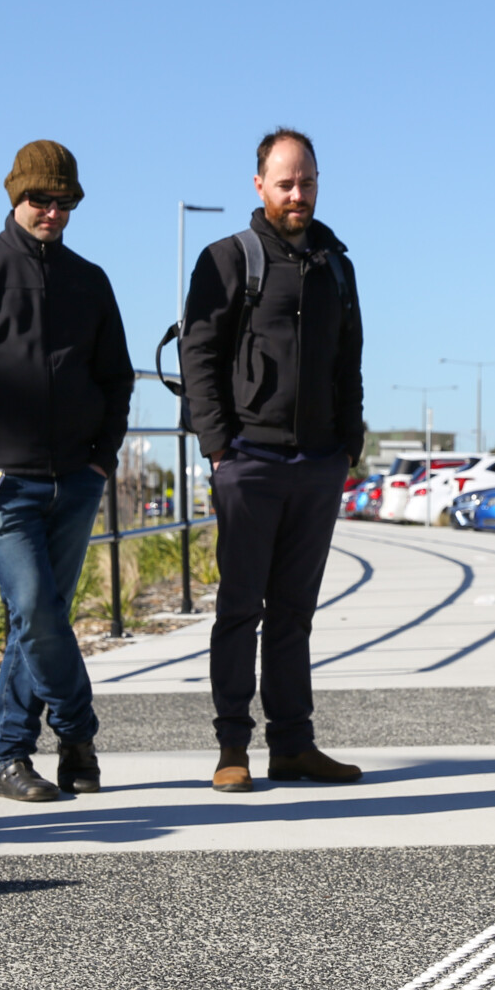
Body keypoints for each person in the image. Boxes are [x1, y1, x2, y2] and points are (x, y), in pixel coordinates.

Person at [0, 140, 134, 803]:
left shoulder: (90, 279)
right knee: (38, 609)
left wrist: (102, 457)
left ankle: (11, 757)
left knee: (36, 618)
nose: (53, 211)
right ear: (15, 196)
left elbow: (117, 379)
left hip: (76, 478)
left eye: (65, 201)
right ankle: (76, 732)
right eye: (41, 199)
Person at [178, 129, 365, 793]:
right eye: (285, 182)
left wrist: (350, 446)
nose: (297, 194)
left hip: (317, 463)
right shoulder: (229, 259)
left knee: (294, 612)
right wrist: (218, 444)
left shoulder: (336, 265)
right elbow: (198, 355)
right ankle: (233, 747)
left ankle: (293, 743)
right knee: (239, 608)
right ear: (259, 184)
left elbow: (351, 363)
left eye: (307, 181)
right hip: (249, 459)